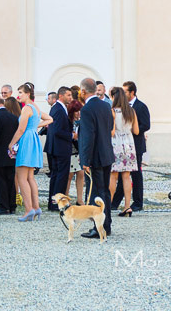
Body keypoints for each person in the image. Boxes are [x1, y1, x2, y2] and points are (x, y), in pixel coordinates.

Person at [8, 83, 52, 221]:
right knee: (30, 177)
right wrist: (34, 126)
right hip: (33, 139)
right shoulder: (36, 107)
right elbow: (50, 119)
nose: (18, 95)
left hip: (26, 139)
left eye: (20, 92)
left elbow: (20, 129)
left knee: (21, 177)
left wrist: (11, 143)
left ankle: (29, 210)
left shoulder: (27, 108)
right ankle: (36, 207)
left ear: (28, 94)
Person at [77, 77, 115, 239]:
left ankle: (98, 227)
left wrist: (85, 160)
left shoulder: (86, 109)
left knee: (95, 193)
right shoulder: (106, 106)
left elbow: (88, 136)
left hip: (95, 157)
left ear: (83, 91)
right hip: (106, 153)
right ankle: (107, 224)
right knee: (104, 191)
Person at [112, 81, 150, 212]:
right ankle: (117, 202)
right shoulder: (129, 109)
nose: (123, 94)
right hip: (128, 143)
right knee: (125, 175)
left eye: (125, 91)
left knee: (134, 175)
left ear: (132, 92)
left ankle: (137, 202)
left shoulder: (140, 107)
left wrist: (129, 130)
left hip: (135, 144)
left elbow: (146, 125)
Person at [109, 86, 139, 217]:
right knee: (126, 177)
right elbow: (136, 131)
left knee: (113, 176)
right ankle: (127, 206)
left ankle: (108, 205)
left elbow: (112, 131)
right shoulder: (131, 111)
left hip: (116, 144)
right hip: (129, 144)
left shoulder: (112, 111)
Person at [45, 86, 73, 211]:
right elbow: (56, 130)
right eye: (68, 95)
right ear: (60, 96)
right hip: (60, 147)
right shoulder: (59, 109)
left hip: (57, 147)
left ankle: (53, 203)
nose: (71, 98)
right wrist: (72, 135)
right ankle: (56, 203)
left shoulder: (59, 108)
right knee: (61, 176)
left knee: (57, 175)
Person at [0, 96, 19, 214]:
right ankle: (12, 205)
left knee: (0, 181)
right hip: (10, 153)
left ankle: (3, 205)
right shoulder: (13, 117)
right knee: (10, 180)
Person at [65, 92, 85, 205]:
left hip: (79, 150)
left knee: (80, 173)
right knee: (70, 175)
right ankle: (66, 197)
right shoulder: (68, 121)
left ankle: (80, 198)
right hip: (70, 150)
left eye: (79, 111)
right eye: (76, 111)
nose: (78, 113)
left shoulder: (82, 121)